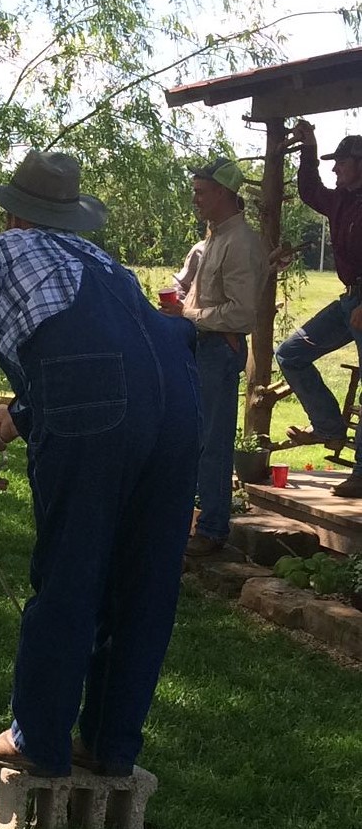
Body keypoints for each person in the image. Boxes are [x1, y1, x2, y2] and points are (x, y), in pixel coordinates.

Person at [0, 148, 201, 779]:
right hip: (180, 410)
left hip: (97, 411)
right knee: (144, 583)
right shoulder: (105, 264)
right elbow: (117, 366)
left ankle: (40, 740)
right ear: (70, 218)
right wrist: (23, 416)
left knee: (72, 570)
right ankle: (111, 748)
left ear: (13, 217)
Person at [159, 157, 265, 559]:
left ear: (223, 192)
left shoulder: (241, 242)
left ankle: (213, 528)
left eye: (201, 191)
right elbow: (198, 291)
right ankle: (195, 521)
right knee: (190, 437)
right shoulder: (213, 239)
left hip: (221, 350)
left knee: (212, 442)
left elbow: (241, 314)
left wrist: (186, 313)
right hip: (200, 347)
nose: (194, 198)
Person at [275, 126, 362, 497]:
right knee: (291, 353)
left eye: (340, 163)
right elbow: (310, 190)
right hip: (350, 299)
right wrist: (308, 149)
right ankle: (328, 426)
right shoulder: (341, 199)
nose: (335, 170)